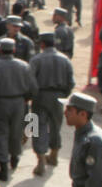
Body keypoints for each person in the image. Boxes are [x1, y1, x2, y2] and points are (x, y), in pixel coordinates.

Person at [0, 37, 37, 181]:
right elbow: (33, 87)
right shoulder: (24, 65)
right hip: (19, 102)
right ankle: (15, 157)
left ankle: (3, 166)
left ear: (0, 50)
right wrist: (26, 99)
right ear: (14, 50)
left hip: (0, 102)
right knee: (16, 131)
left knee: (0, 133)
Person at [29, 31, 76, 175]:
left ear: (42, 44)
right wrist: (64, 95)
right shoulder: (65, 59)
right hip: (59, 97)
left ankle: (41, 158)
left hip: (40, 96)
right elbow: (71, 82)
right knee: (56, 126)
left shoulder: (36, 59)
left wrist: (33, 96)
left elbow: (30, 81)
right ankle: (54, 155)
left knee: (36, 126)